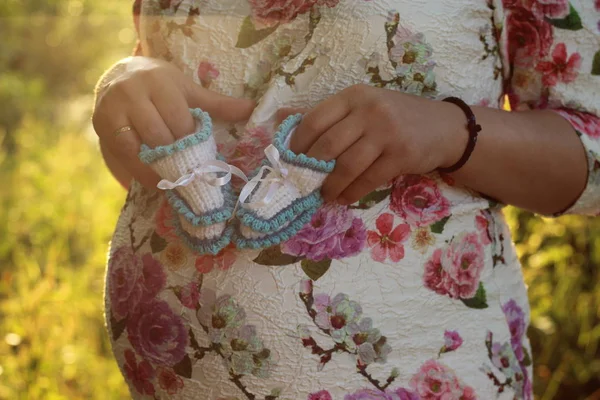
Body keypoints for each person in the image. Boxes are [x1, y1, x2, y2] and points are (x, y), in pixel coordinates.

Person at [92, 0, 600, 398]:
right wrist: (124, 83)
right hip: (175, 380)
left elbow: (591, 155)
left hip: (417, 365)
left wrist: (452, 130)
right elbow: (145, 159)